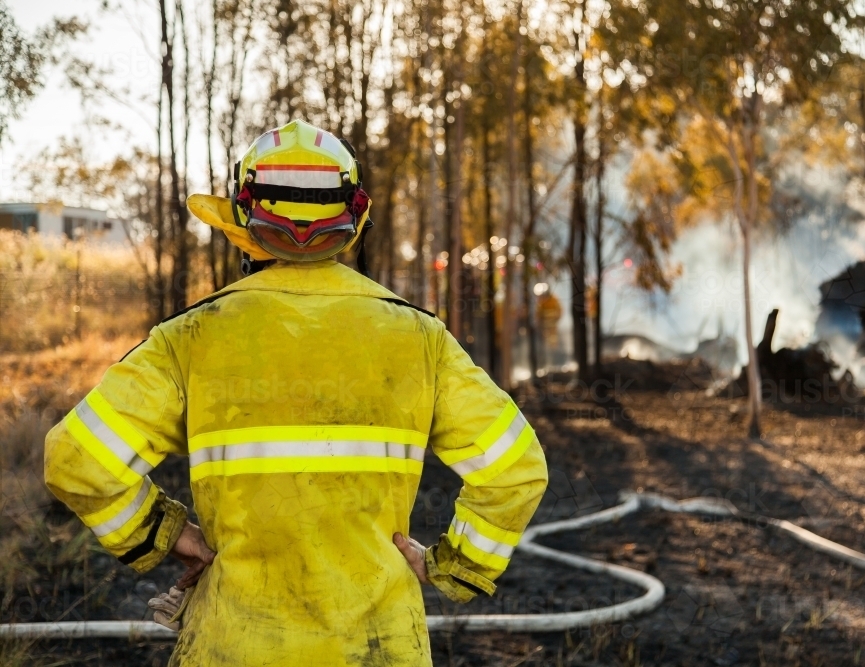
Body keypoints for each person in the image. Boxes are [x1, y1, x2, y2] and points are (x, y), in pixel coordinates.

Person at [44, 119, 549, 666]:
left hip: (232, 648)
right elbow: (515, 470)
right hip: (379, 650)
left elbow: (77, 459)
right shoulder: (419, 337)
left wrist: (166, 535)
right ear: (353, 217)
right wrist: (455, 565)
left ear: (244, 212)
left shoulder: (190, 337)